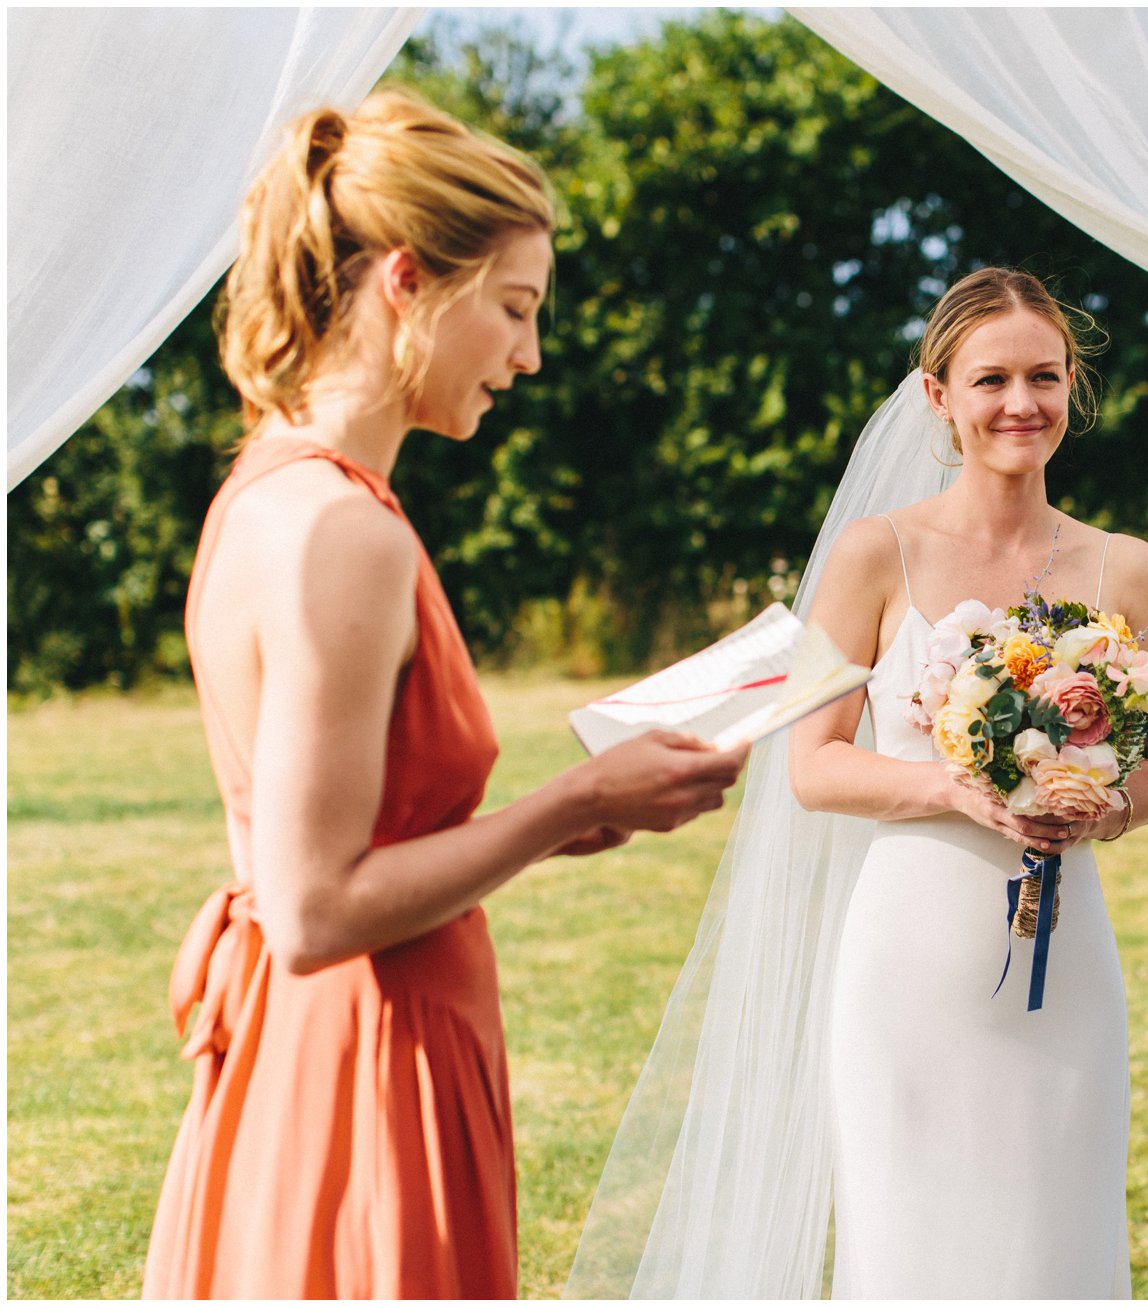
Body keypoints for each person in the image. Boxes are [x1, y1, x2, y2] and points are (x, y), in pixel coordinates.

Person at [143, 89, 748, 1299]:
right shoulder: (341, 533)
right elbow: (318, 912)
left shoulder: (264, 487)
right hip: (372, 1051)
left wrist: (567, 822)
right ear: (408, 282)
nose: (528, 355)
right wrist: (562, 800)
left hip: (317, 1037)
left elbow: (339, 848)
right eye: (515, 309)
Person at [567, 267, 1148, 1299]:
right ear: (936, 396)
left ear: (1073, 386)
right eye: (990, 380)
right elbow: (813, 764)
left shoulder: (1127, 568)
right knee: (911, 1248)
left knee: (1055, 1242)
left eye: (1043, 376)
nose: (1020, 403)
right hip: (910, 965)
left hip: (1066, 967)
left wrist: (1102, 804)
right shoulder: (874, 553)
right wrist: (957, 791)